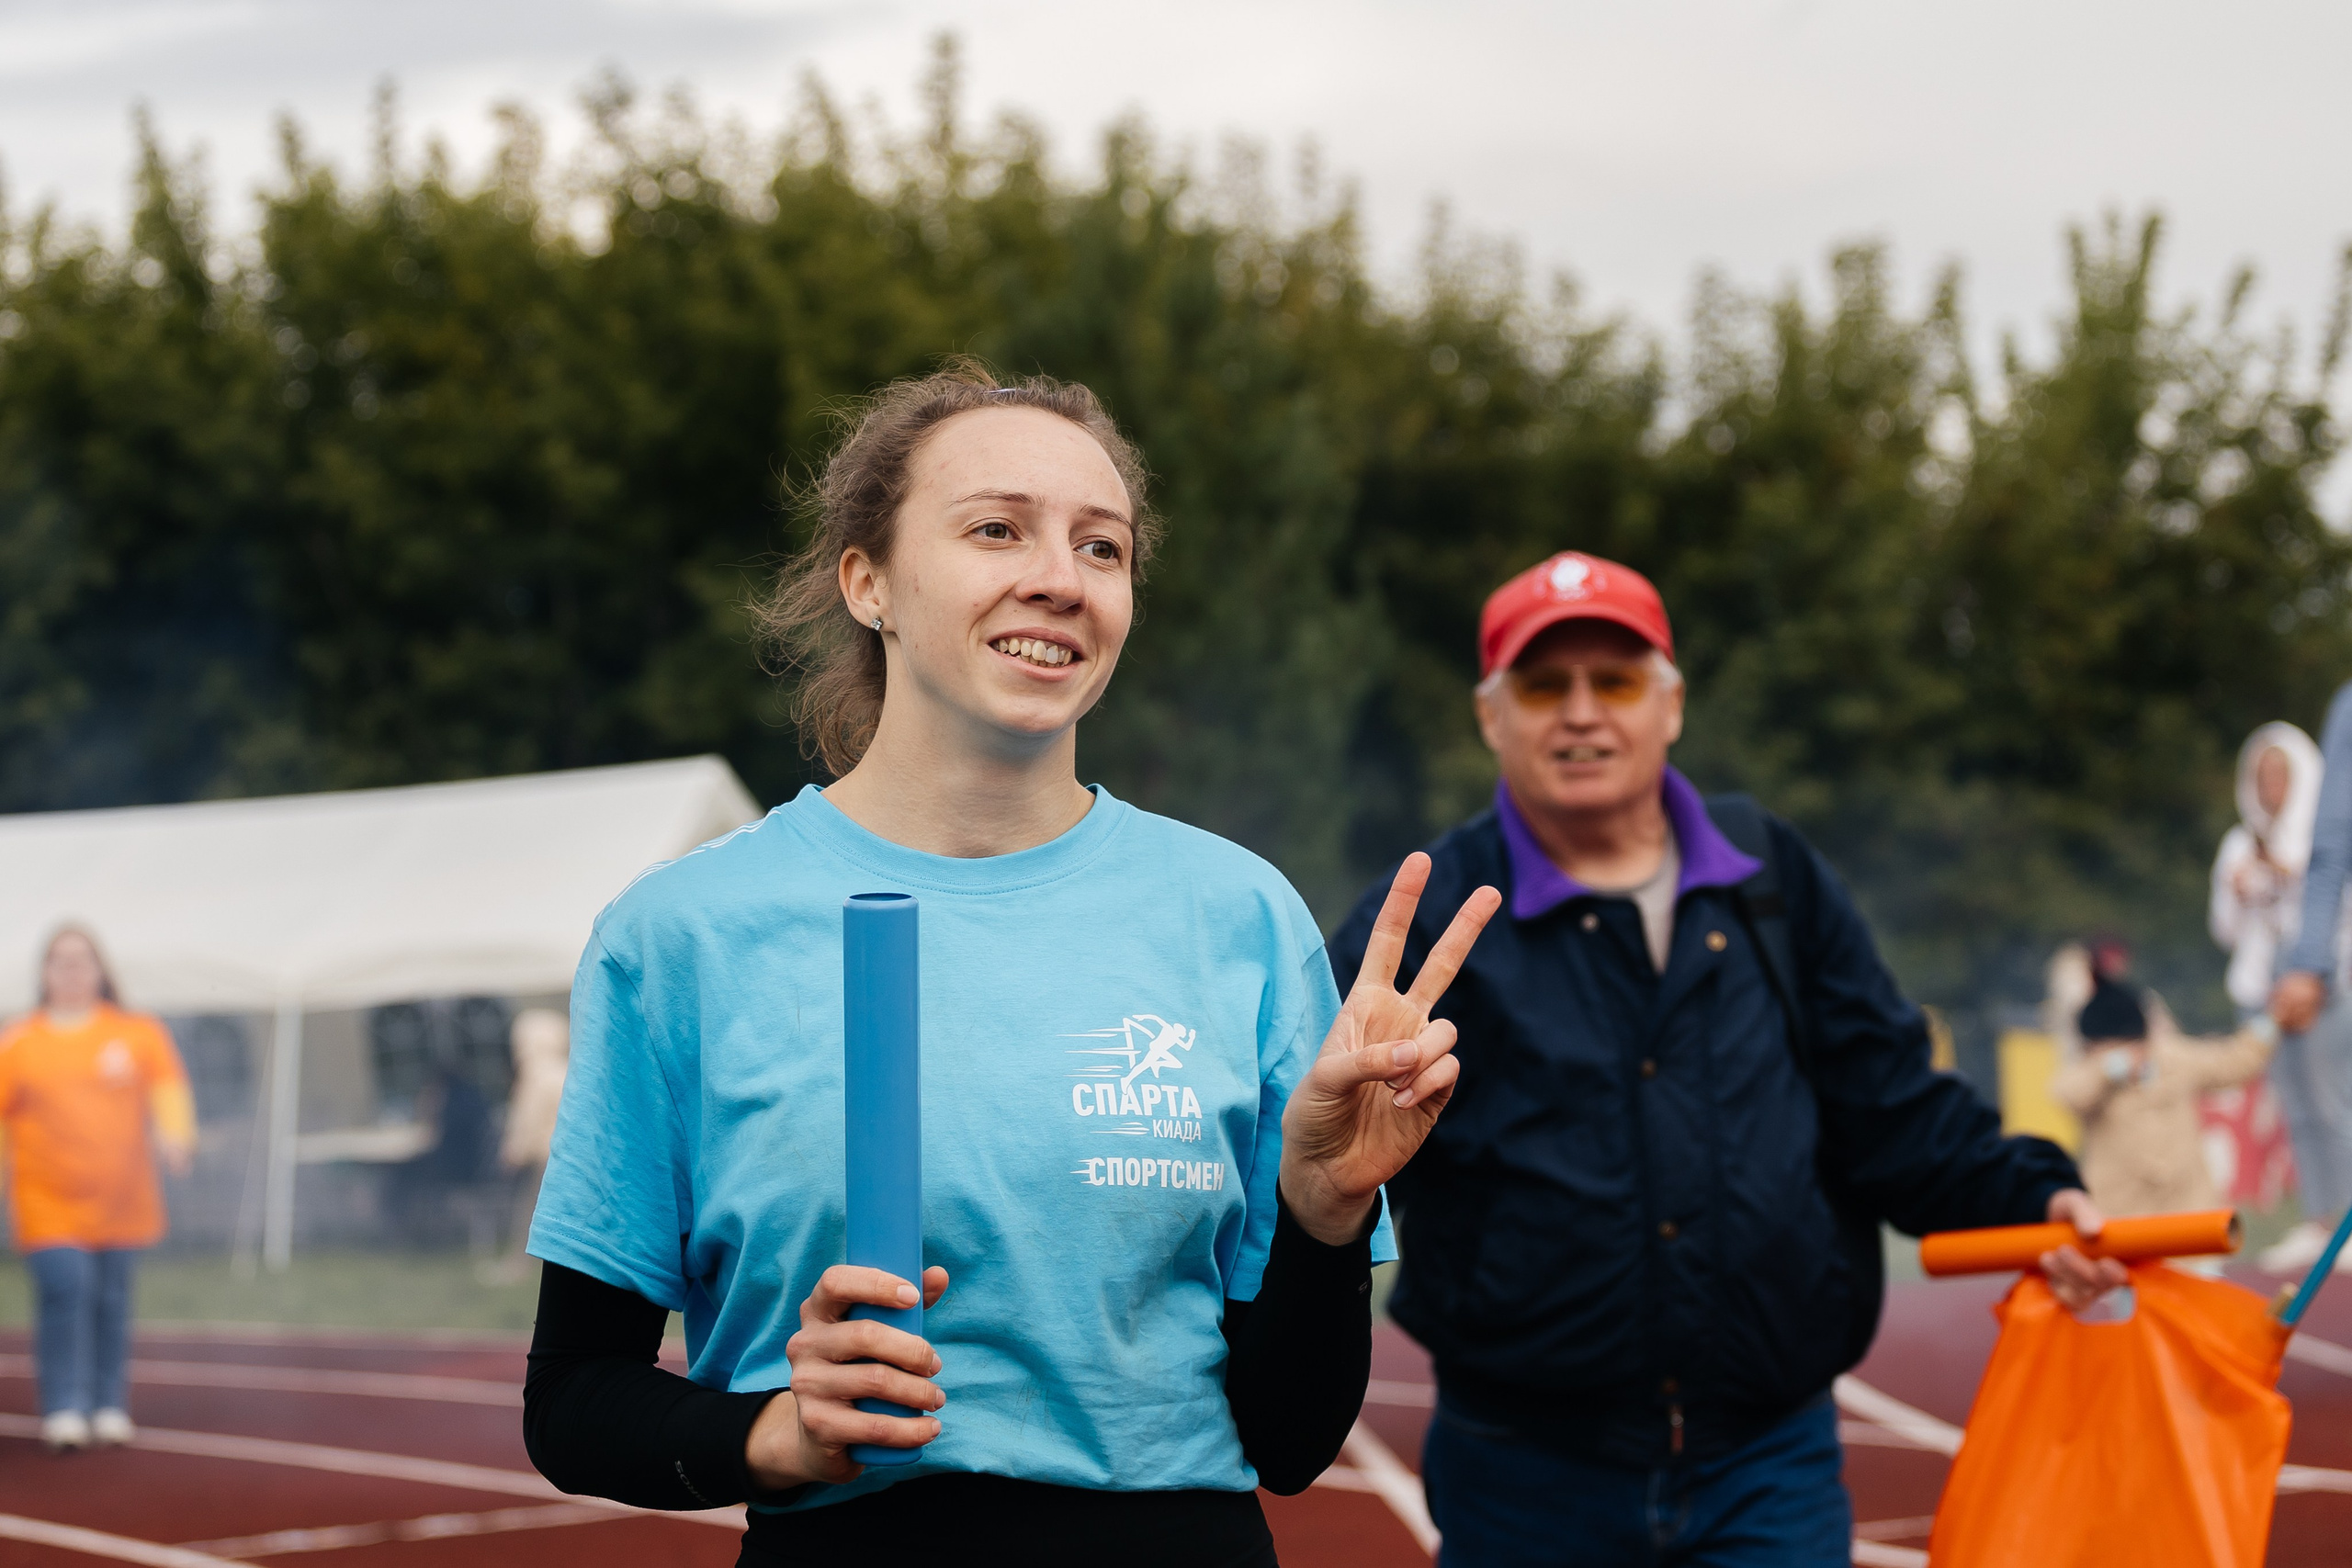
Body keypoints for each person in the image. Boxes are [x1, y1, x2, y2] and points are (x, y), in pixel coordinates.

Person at [518, 366, 1499, 1565]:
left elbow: (1289, 1439)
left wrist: (1326, 1212)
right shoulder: (683, 934)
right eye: (996, 528)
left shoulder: (1237, 916)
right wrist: (775, 1430)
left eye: (1103, 546)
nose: (1059, 577)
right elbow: (573, 1397)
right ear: (867, 579)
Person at [1328, 551, 2120, 1567]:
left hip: (1767, 1468)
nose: (1580, 713)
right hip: (1522, 1475)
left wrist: (2031, 1199)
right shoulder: (1429, 915)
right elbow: (1321, 1145)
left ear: (1670, 706)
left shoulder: (1772, 877)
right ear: (1492, 716)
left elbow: (1889, 1103)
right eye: (1542, 684)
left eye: (1613, 681)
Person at [0, 926, 196, 1452]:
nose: (72, 971)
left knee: (111, 1299)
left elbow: (168, 1089)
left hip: (122, 1199)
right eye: (60, 962)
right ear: (44, 972)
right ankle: (64, 1405)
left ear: (100, 969)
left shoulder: (136, 1033)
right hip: (46, 1200)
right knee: (68, 1289)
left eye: (82, 961)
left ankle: (107, 1403)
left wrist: (176, 1136)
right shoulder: (19, 1042)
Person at [2046, 942, 2274, 1222]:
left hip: (2189, 1217)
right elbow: (2067, 1094)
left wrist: (2271, 1024)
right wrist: (2111, 1067)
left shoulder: (2172, 1058)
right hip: (2120, 1222)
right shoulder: (2095, 1075)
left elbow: (2234, 1062)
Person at [2254, 710, 2352, 1274]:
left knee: (2334, 1101)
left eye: (2281, 774)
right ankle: (2325, 1222)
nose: (2274, 787)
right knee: (2305, 1107)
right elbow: (2333, 857)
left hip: (2329, 983)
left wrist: (2314, 966)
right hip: (2295, 984)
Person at [483, 1008, 568, 1283]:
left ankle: (518, 1267)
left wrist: (512, 1154)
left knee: (529, 1216)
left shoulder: (534, 1075)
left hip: (546, 1159)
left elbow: (526, 1121)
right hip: (572, 1158)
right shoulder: (568, 1069)